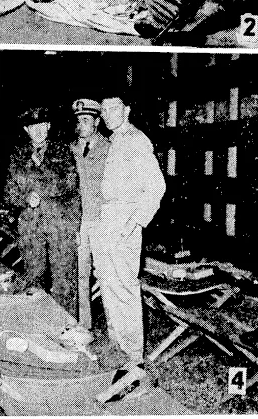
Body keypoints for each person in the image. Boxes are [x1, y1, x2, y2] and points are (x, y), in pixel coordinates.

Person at [94, 95, 166, 368]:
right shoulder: (114, 141)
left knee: (124, 287)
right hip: (107, 218)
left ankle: (133, 355)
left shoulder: (136, 139)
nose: (108, 114)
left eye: (114, 109)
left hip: (124, 220)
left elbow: (156, 186)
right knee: (109, 286)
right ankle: (118, 347)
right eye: (104, 110)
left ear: (127, 110)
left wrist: (135, 222)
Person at [4, 107, 81, 318]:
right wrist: (25, 198)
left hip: (60, 226)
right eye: (32, 127)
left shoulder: (63, 152)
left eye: (42, 126)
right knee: (33, 279)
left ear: (48, 126)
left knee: (63, 280)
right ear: (26, 130)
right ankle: (37, 327)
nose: (38, 131)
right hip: (31, 227)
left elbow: (70, 184)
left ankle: (67, 328)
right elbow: (9, 192)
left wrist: (39, 190)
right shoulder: (17, 155)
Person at [69, 99, 110, 329]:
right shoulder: (70, 150)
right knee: (80, 277)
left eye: (86, 120)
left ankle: (115, 330)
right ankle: (84, 328)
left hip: (102, 222)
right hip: (79, 222)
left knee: (106, 276)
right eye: (78, 120)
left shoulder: (110, 148)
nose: (81, 125)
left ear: (96, 121)